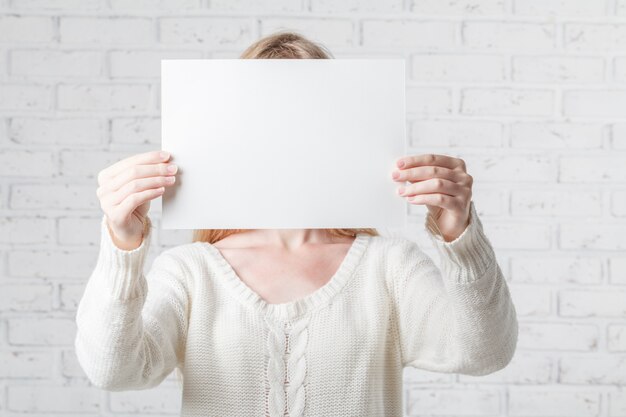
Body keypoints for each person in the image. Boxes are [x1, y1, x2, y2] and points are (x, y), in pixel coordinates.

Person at [74, 31, 518, 417]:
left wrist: (461, 237)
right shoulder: (190, 272)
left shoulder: (389, 267)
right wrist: (122, 246)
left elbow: (484, 352)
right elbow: (113, 370)